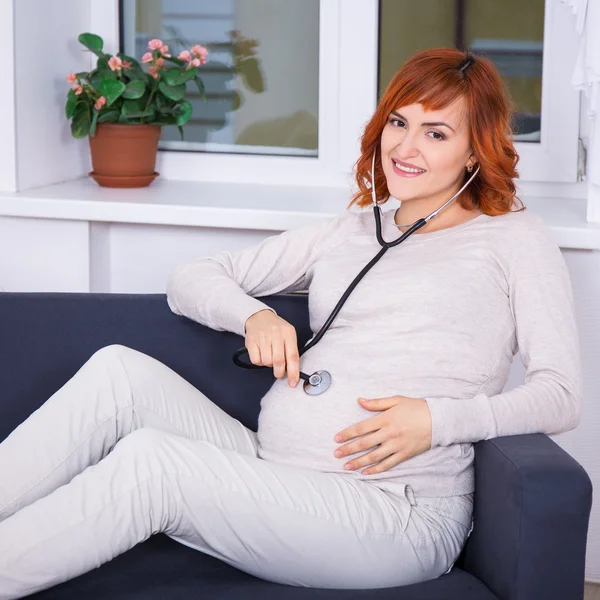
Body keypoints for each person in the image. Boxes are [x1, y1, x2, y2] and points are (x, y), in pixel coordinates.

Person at [0, 48, 582, 598]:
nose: (406, 147)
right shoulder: (355, 228)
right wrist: (253, 315)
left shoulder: (512, 239)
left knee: (153, 463)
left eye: (436, 133)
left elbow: (559, 395)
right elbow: (194, 276)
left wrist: (439, 420)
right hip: (277, 470)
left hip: (394, 511)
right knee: (117, 373)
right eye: (399, 123)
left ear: (475, 151)